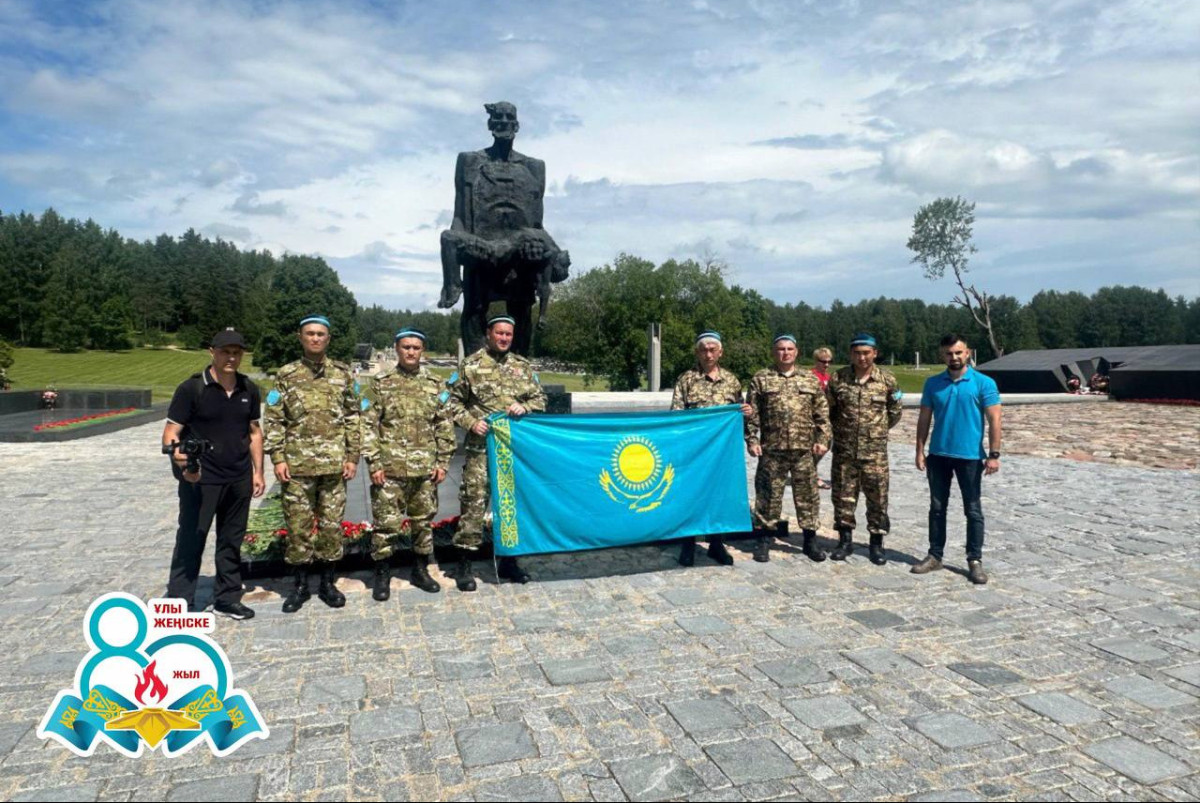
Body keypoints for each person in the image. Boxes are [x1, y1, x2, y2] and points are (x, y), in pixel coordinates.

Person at [162, 328, 265, 619]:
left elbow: (254, 432)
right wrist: (184, 465)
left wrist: (259, 472)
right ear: (212, 352)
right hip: (201, 479)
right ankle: (180, 602)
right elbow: (171, 433)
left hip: (238, 477)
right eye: (225, 351)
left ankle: (227, 597)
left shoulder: (249, 388)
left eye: (237, 352)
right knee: (191, 540)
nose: (231, 357)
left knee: (232, 539)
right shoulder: (191, 389)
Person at [263, 316, 362, 613]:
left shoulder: (344, 374)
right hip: (297, 467)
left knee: (331, 528)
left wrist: (352, 456)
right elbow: (274, 419)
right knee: (298, 527)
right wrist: (277, 458)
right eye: (310, 334)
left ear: (328, 339)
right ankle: (300, 586)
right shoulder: (286, 375)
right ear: (300, 337)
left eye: (321, 334)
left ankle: (328, 584)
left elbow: (354, 415)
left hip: (333, 466)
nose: (315, 339)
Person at [448, 315, 545, 590]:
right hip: (481, 451)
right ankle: (464, 565)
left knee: (511, 506)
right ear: (489, 334)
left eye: (508, 335)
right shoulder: (470, 366)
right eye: (499, 333)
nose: (504, 338)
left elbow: (540, 399)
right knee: (474, 503)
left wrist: (525, 407)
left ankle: (510, 561)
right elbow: (450, 402)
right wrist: (470, 422)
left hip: (512, 453)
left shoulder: (522, 367)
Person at [362, 328, 455, 600]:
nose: (411, 352)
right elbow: (368, 425)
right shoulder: (380, 382)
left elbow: (444, 425)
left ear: (422, 350)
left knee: (423, 522)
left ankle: (420, 570)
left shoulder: (436, 385)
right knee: (386, 524)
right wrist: (374, 463)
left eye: (416, 347)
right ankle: (382, 573)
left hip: (425, 469)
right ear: (397, 349)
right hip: (389, 470)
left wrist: (443, 461)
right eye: (406, 347)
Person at [912, 333, 1003, 584]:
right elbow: (924, 419)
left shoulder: (984, 383)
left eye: (958, 352)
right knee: (937, 508)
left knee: (973, 510)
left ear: (968, 352)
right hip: (939, 455)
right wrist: (920, 450)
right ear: (942, 355)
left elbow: (995, 419)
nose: (954, 357)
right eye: (949, 353)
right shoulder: (933, 384)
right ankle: (935, 555)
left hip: (970, 457)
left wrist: (994, 454)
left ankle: (974, 559)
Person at [670, 331, 754, 566]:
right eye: (704, 349)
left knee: (720, 496)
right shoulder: (686, 380)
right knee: (691, 496)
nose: (708, 354)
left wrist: (746, 413)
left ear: (720, 352)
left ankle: (716, 544)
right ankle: (688, 543)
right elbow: (676, 415)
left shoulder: (732, 380)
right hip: (694, 453)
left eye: (712, 349)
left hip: (722, 454)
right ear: (697, 352)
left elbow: (738, 412)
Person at [746, 335, 831, 563]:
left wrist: (822, 439)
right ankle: (764, 539)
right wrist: (752, 441)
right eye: (781, 349)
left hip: (804, 451)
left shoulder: (809, 379)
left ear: (797, 352)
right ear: (774, 353)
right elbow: (751, 414)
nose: (785, 353)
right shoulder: (762, 378)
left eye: (789, 349)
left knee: (808, 497)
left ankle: (810, 540)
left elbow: (822, 414)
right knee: (768, 496)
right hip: (772, 450)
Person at [827, 333, 903, 565]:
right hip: (845, 451)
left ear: (875, 353)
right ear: (851, 354)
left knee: (878, 498)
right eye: (857, 353)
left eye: (866, 353)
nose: (862, 357)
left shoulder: (887, 381)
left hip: (875, 453)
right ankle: (845, 541)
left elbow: (895, 411)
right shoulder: (838, 379)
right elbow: (828, 410)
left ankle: (876, 544)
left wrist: (876, 431)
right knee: (843, 497)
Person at [811, 347, 834, 489]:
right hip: (814, 418)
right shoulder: (811, 376)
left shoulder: (828, 377)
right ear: (816, 361)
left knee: (827, 445)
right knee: (816, 447)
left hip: (827, 418)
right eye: (823, 361)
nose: (826, 364)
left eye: (829, 361)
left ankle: (811, 472)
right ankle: (813, 476)